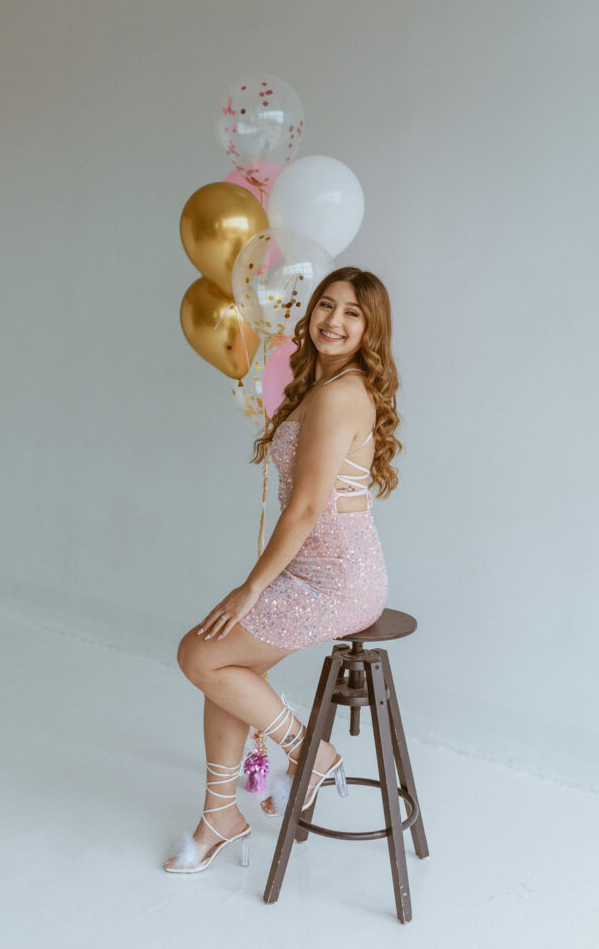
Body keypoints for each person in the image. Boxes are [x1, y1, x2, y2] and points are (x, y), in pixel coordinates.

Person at [164, 265, 402, 873]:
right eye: (326, 305)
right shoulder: (320, 390)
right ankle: (220, 812)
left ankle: (307, 753)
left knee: (200, 652)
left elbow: (303, 510)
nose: (334, 320)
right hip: (314, 570)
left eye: (353, 313)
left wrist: (251, 588)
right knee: (225, 664)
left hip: (336, 579)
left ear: (370, 329)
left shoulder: (341, 394)